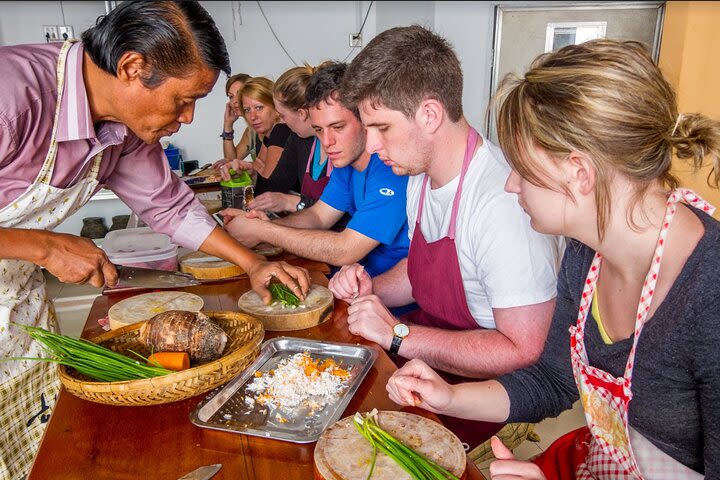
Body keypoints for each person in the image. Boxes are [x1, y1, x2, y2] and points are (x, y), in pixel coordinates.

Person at [387, 39, 720, 479]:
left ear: (579, 172)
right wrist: (448, 396)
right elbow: (553, 379)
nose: (510, 185)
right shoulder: (587, 253)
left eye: (522, 168)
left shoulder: (708, 297)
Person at [0, 2, 309, 477]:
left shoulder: (124, 131)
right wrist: (43, 247)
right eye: (183, 100)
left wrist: (251, 263)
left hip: (16, 310)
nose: (187, 118)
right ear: (131, 67)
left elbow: (169, 205)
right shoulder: (14, 94)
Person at [331, 25, 560, 380]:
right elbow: (419, 270)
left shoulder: (502, 203)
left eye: (382, 128)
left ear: (430, 115)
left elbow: (523, 348)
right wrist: (370, 291)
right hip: (429, 349)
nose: (372, 146)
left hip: (486, 384)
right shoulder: (418, 174)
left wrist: (397, 335)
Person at [222, 62, 410, 278]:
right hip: (352, 280)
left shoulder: (390, 166)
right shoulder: (346, 162)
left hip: (385, 296)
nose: (327, 142)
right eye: (319, 130)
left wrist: (263, 232)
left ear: (363, 118)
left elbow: (346, 249)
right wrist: (265, 225)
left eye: (338, 127)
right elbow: (318, 216)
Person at [247, 64, 334, 215]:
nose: (281, 122)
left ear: (302, 114)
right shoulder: (298, 139)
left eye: (282, 115)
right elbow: (274, 187)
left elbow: (341, 213)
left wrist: (291, 202)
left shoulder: (340, 146)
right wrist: (253, 174)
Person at [220, 77, 293, 196]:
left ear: (275, 106)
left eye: (259, 108)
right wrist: (251, 170)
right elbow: (257, 166)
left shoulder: (280, 131)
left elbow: (266, 188)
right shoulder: (269, 134)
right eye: (247, 110)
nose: (252, 117)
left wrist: (254, 172)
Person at [213, 72, 256, 171]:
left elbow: (272, 168)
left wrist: (246, 165)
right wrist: (227, 125)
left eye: (240, 94)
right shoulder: (250, 132)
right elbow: (233, 162)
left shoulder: (273, 125)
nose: (234, 101)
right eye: (231, 96)